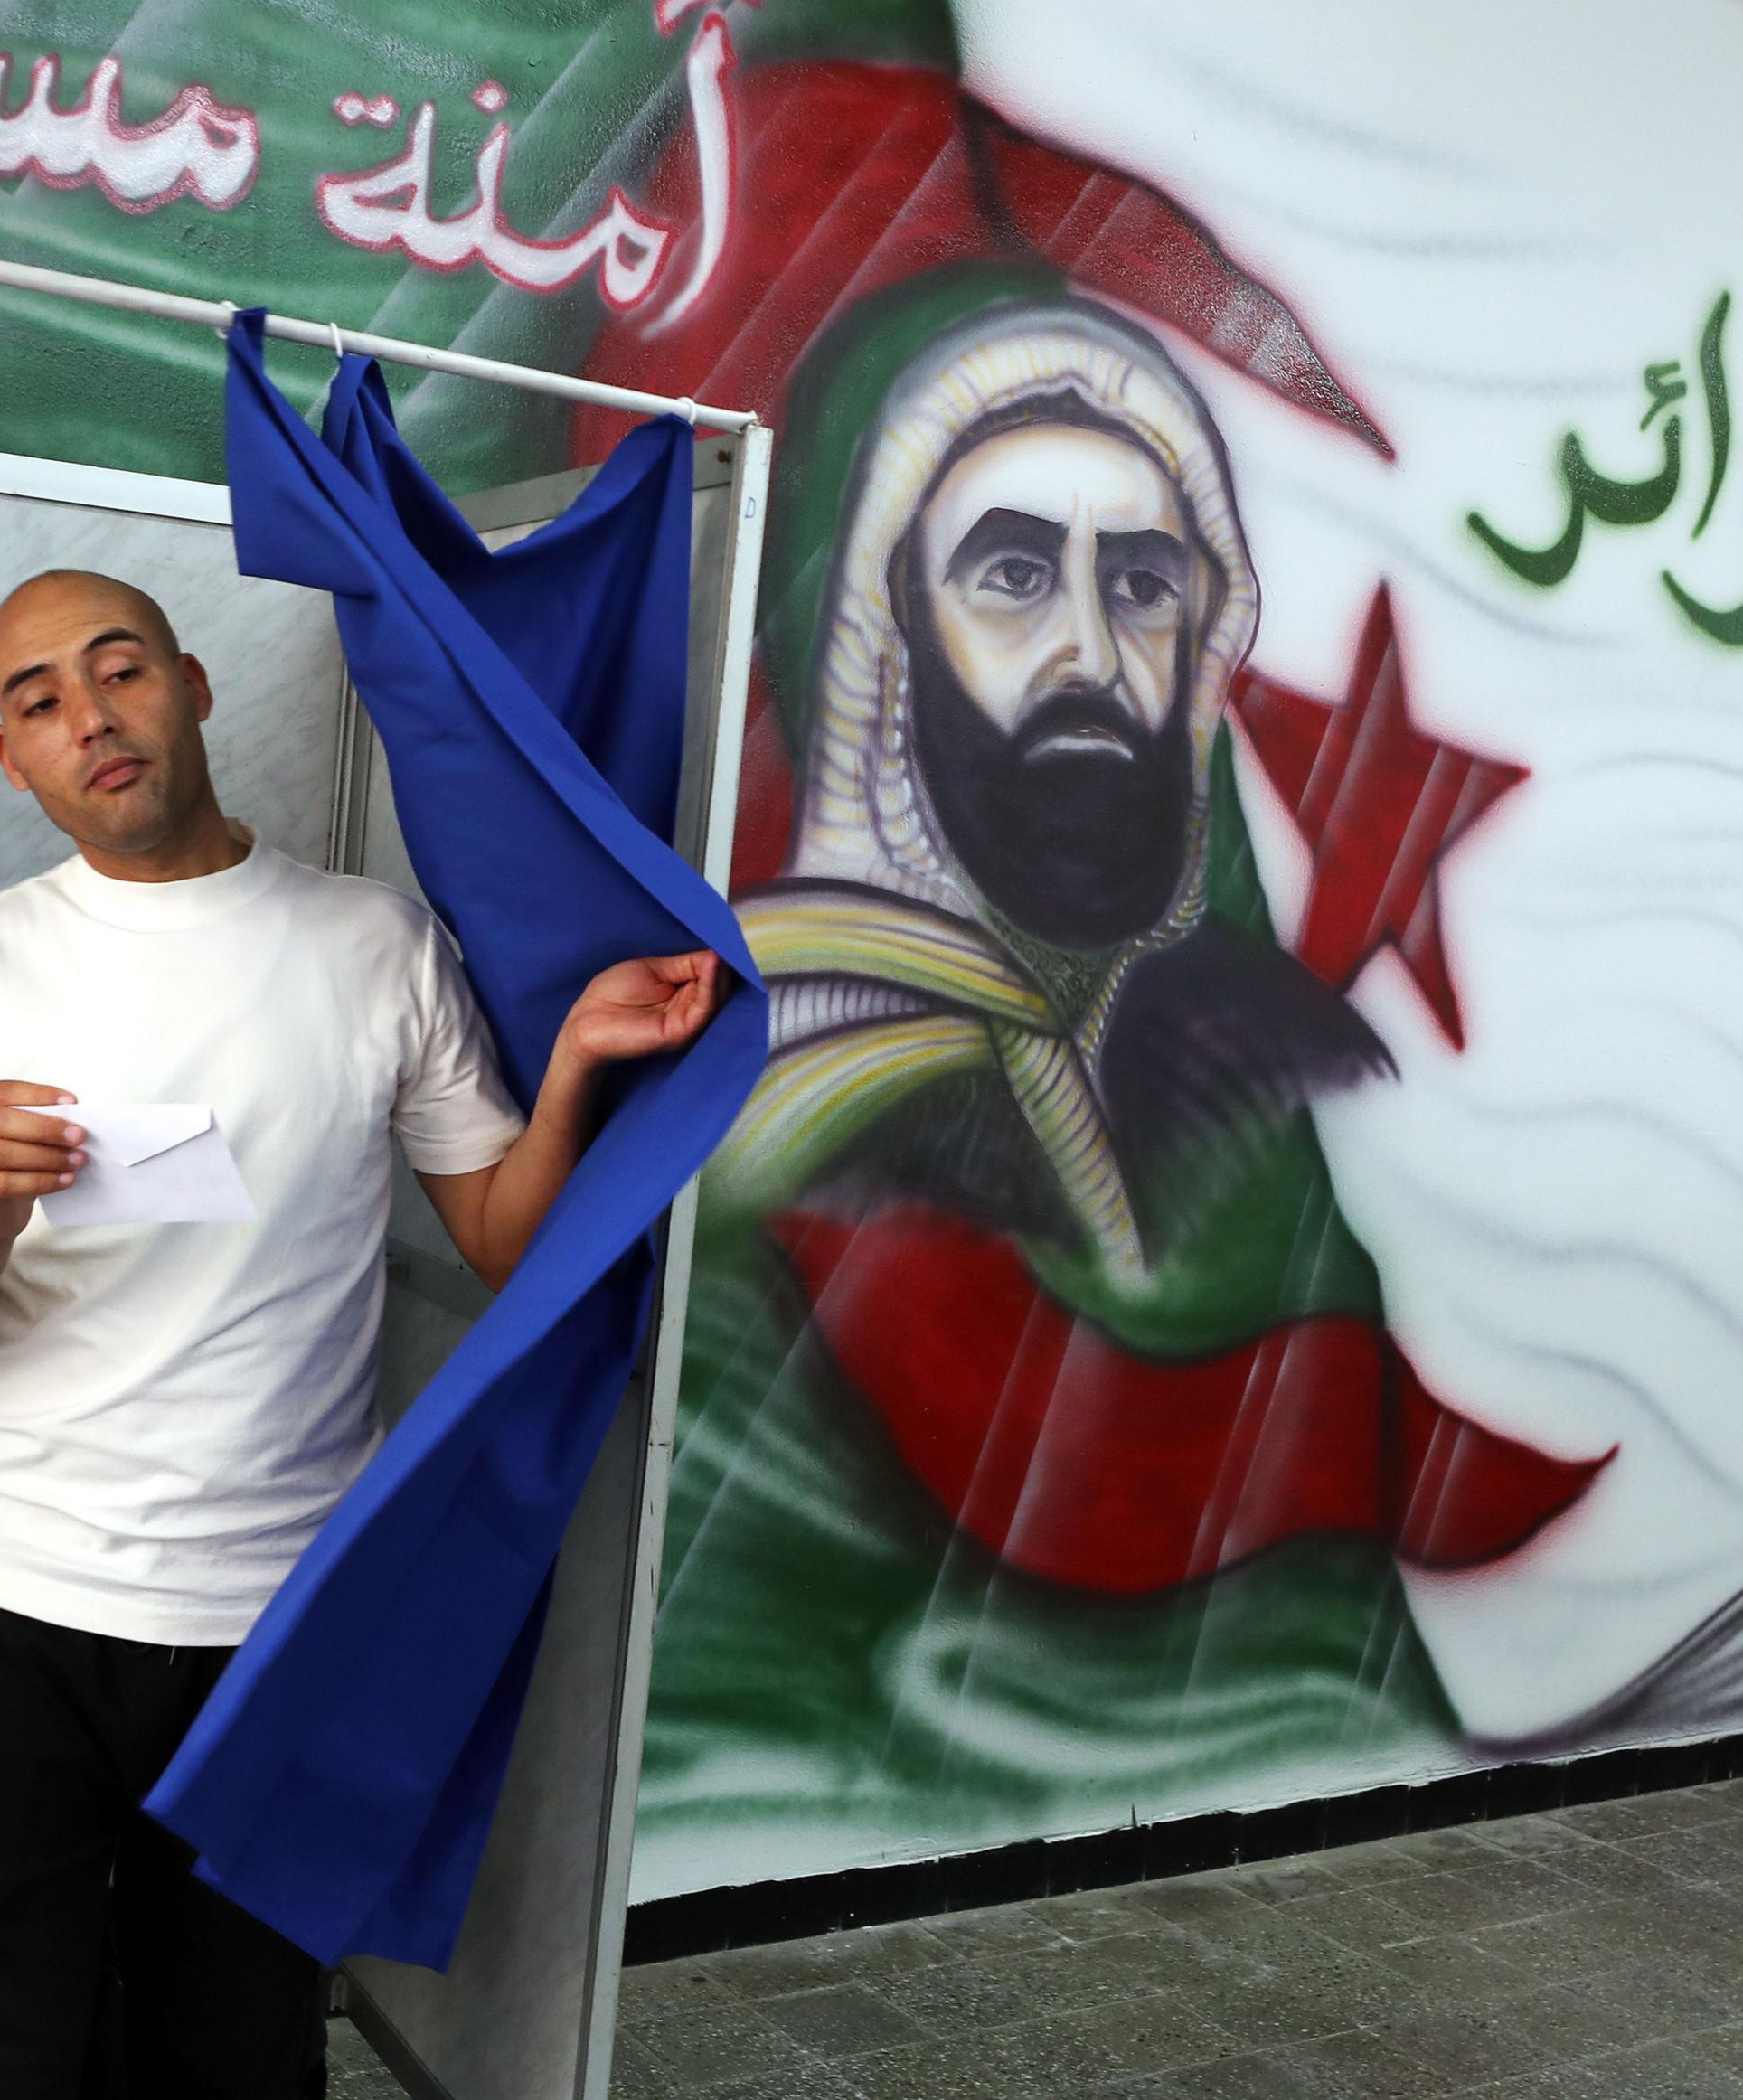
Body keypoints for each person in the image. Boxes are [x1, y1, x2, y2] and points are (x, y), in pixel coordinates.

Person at [645, 268, 1592, 1867]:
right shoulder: (778, 1113)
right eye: (1012, 574)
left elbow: (1333, 1665)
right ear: (888, 638)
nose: (1091, 647)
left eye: (1145, 585)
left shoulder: (1241, 1111)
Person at [0, 568, 724, 2100]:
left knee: (237, 2061)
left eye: (117, 671)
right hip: (8, 1607)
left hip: (279, 1624)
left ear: (191, 682)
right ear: (11, 757)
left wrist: (575, 1057)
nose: (89, 717)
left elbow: (504, 1241)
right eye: (38, 700)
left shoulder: (373, 943)